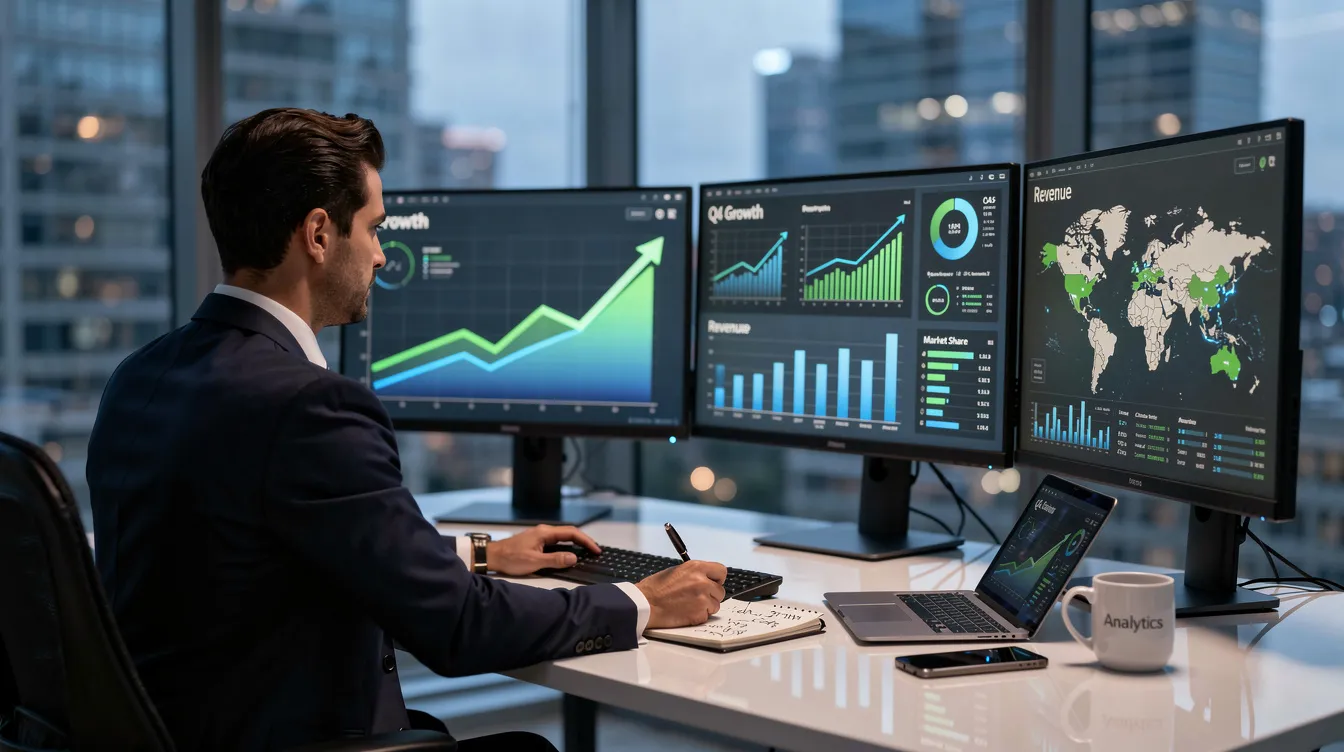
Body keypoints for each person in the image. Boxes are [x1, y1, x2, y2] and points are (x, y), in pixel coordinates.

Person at [85, 108, 727, 752]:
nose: (381, 253)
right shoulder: (310, 405)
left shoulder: (139, 377)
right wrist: (641, 603)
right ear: (317, 234)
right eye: (372, 228)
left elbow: (253, 552)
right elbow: (459, 627)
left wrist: (479, 554)